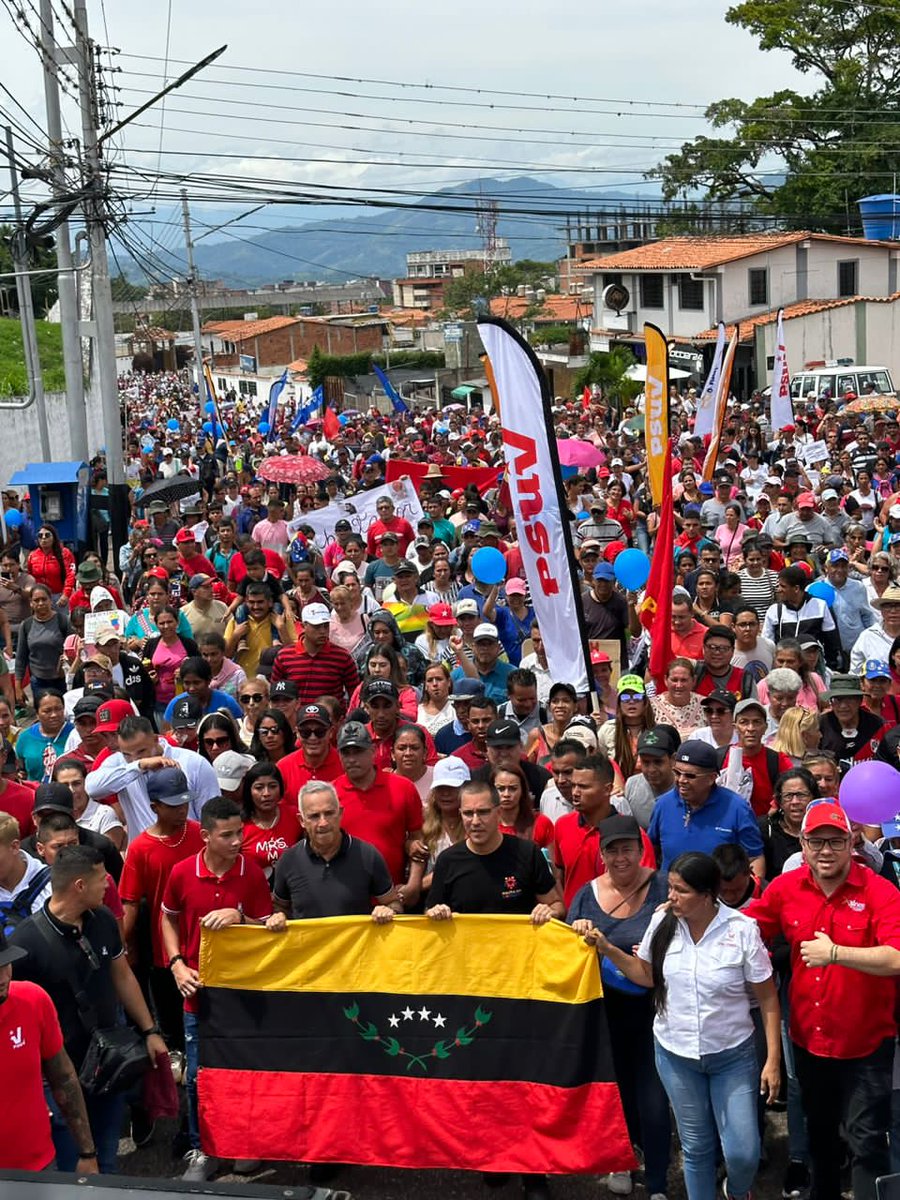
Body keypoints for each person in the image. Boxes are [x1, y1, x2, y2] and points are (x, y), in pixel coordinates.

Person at [582, 851, 781, 1200]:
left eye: (681, 890)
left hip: (732, 1057)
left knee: (743, 1152)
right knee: (696, 1146)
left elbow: (767, 998)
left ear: (707, 895)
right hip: (676, 1055)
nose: (671, 896)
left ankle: (737, 1191)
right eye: (671, 887)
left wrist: (773, 1061)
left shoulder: (741, 930)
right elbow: (646, 975)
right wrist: (608, 948)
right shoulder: (662, 922)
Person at [747, 801, 900, 1200]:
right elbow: (745, 929)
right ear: (803, 845)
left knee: (868, 1141)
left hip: (867, 1045)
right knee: (820, 1136)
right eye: (816, 842)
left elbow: (897, 957)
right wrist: (689, 914)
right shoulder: (785, 888)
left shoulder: (880, 891)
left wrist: (835, 953)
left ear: (852, 843)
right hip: (809, 1041)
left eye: (835, 841)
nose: (826, 851)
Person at [11, 845, 168, 1173]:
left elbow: (122, 975)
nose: (108, 885)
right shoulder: (27, 943)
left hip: (109, 1066)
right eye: (102, 879)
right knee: (75, 1168)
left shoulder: (104, 921)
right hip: (61, 1076)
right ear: (79, 885)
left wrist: (150, 1030)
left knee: (106, 1161)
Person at [162, 796, 273, 1182]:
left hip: (243, 994)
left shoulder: (252, 873)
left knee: (244, 1073)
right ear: (206, 836)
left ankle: (245, 1144)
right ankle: (203, 1150)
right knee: (198, 1077)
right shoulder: (181, 873)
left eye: (239, 833)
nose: (236, 841)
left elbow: (269, 929)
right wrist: (176, 964)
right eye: (227, 835)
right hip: (198, 994)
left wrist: (240, 917)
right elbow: (168, 918)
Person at [568, 814, 671, 1200]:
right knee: (617, 1091)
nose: (621, 858)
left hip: (655, 1009)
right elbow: (567, 948)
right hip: (605, 1011)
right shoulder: (585, 894)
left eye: (628, 849)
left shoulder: (664, 886)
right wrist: (576, 930)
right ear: (601, 855)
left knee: (654, 1097)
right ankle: (623, 1159)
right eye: (613, 851)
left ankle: (658, 1181)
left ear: (642, 850)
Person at [118, 768, 204, 1057]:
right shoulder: (141, 848)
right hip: (164, 949)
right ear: (155, 806)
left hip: (205, 940)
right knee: (172, 1022)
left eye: (184, 802)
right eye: (173, 804)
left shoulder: (199, 833)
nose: (182, 809)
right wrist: (122, 946)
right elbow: (129, 902)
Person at [0, 925, 99, 1174]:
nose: (2, 977)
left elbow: (64, 1077)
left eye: (5, 964)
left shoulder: (33, 1000)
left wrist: (87, 1152)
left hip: (39, 1166)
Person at [268, 781, 401, 921]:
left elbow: (394, 902)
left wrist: (389, 910)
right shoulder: (289, 860)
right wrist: (279, 916)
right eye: (314, 816)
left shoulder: (367, 855)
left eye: (329, 813)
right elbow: (279, 906)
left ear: (340, 813)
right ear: (301, 820)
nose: (323, 823)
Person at [85, 709, 220, 837]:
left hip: (187, 846)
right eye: (127, 754)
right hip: (143, 849)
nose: (134, 758)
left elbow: (212, 815)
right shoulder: (119, 762)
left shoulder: (193, 762)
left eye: (141, 751)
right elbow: (92, 789)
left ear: (156, 739)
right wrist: (138, 766)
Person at [647, 741, 765, 876]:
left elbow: (755, 858)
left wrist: (751, 887)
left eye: (690, 776)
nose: (681, 780)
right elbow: (650, 850)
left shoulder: (737, 808)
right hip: (671, 888)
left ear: (711, 778)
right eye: (677, 773)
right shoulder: (663, 804)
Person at [554, 755, 655, 909]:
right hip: (572, 921)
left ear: (607, 789)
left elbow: (645, 886)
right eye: (573, 785)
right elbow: (559, 876)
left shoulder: (633, 836)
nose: (575, 792)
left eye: (584, 787)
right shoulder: (562, 825)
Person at [333, 721, 424, 886]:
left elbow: (417, 839)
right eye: (346, 753)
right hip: (343, 891)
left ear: (373, 751)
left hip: (392, 892)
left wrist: (413, 885)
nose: (352, 759)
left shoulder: (403, 788)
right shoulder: (330, 794)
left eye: (358, 751)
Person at [270, 602, 359, 707]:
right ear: (303, 626)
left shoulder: (343, 657)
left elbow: (355, 694)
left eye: (326, 626)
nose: (323, 631)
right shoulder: (284, 656)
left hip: (332, 716)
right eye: (317, 627)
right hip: (296, 716)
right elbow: (275, 693)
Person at [240, 761, 300, 880]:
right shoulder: (240, 824)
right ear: (249, 791)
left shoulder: (295, 816)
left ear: (281, 788)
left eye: (272, 786)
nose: (266, 793)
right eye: (259, 788)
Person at [15, 584, 69, 706]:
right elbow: (21, 658)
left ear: (51, 600)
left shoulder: (63, 621)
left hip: (62, 681)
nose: (40, 603)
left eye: (44, 599)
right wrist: (18, 687)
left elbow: (73, 651)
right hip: (38, 682)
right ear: (31, 603)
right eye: (36, 600)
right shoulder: (26, 625)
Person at [623, 727, 679, 830]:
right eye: (646, 762)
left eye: (658, 762)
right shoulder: (632, 785)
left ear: (672, 760)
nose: (651, 769)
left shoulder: (683, 788)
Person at [15, 689, 73, 782]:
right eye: (47, 711)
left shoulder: (75, 734)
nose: (54, 715)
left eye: (58, 709)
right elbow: (21, 769)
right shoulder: (25, 738)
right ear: (37, 713)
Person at [650, 659, 705, 738]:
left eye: (684, 680)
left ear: (694, 680)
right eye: (674, 680)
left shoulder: (704, 705)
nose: (679, 685)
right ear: (665, 680)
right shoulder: (652, 707)